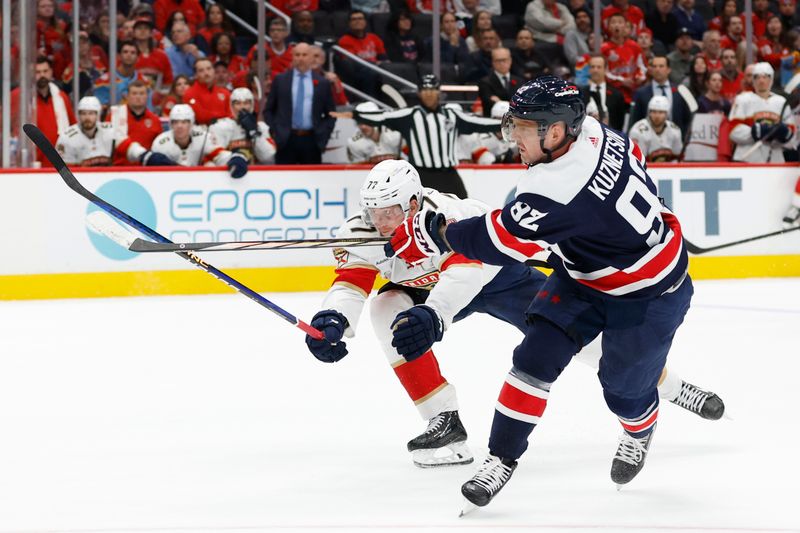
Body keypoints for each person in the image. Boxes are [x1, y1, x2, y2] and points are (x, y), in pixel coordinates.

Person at [384, 76, 698, 509]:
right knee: (534, 358)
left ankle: (639, 427)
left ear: (554, 131)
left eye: (523, 128)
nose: (514, 136)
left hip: (649, 294)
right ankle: (501, 458)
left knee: (622, 389)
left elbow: (496, 242)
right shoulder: (596, 132)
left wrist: (437, 231)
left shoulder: (554, 185)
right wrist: (590, 234)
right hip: (586, 274)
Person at [310, 158, 725, 471]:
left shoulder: (451, 217)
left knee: (580, 345)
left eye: (390, 213)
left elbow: (467, 270)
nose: (380, 223)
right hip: (428, 289)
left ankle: (671, 387)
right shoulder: (362, 229)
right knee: (385, 309)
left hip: (495, 278)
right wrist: (333, 321)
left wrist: (434, 314)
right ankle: (444, 423)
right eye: (374, 213)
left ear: (415, 201)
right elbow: (351, 280)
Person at [331, 75, 501, 198]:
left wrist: (503, 124)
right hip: (421, 175)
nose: (428, 94)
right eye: (424, 90)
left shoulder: (452, 115)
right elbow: (382, 117)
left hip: (448, 174)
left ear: (438, 92)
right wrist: (356, 115)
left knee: (462, 209)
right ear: (419, 93)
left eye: (432, 89)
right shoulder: (409, 115)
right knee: (418, 216)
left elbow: (480, 123)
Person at [264, 43, 336, 164]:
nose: (301, 58)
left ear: (311, 58)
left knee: (312, 180)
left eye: (304, 55)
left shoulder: (322, 83)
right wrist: (276, 132)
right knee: (283, 180)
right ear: (292, 57)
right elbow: (269, 110)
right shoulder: (280, 80)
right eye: (297, 55)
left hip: (312, 140)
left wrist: (323, 137)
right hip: (285, 139)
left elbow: (331, 114)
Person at [56, 96, 173, 167]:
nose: (87, 118)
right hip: (81, 186)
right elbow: (66, 172)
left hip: (106, 182)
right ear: (79, 115)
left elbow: (128, 147)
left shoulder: (108, 131)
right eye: (83, 113)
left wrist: (144, 155)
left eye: (91, 113)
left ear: (98, 115)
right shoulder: (67, 138)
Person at [150, 103, 248, 177]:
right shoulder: (160, 143)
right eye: (175, 122)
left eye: (184, 122)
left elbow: (220, 155)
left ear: (191, 124)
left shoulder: (202, 137)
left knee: (210, 165)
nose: (179, 126)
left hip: (198, 181)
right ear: (171, 125)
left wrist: (237, 157)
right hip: (169, 181)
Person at [729, 62, 796, 162]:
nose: (761, 80)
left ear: (771, 79)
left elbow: (792, 140)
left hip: (775, 160)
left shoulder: (781, 102)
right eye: (757, 77)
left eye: (765, 77)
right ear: (753, 80)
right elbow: (733, 131)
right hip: (748, 159)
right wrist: (754, 132)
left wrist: (784, 135)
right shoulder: (742, 99)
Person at [210, 88, 277, 164]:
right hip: (230, 171)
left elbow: (270, 159)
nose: (242, 107)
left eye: (246, 103)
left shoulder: (261, 127)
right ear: (231, 105)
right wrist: (236, 160)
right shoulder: (221, 126)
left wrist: (254, 132)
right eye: (238, 103)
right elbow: (216, 157)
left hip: (256, 173)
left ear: (252, 105)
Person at [629, 56, 692, 136]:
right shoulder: (641, 93)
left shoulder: (681, 91)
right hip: (648, 140)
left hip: (674, 139)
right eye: (654, 66)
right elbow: (635, 120)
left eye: (661, 66)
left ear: (669, 70)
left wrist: (683, 138)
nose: (657, 69)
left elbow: (687, 118)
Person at [106, 80, 165, 165]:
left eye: (141, 93)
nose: (138, 97)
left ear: (147, 96)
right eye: (134, 93)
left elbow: (159, 148)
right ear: (127, 96)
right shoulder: (115, 115)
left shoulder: (155, 120)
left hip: (145, 171)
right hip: (119, 170)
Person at [94, 41, 151, 108]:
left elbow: (148, 109)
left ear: (138, 58)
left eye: (133, 53)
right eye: (125, 52)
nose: (129, 55)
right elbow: (100, 109)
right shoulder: (103, 81)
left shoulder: (145, 82)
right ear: (119, 56)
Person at [629, 96, 684, 162]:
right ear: (649, 113)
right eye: (654, 112)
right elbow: (636, 162)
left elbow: (677, 158)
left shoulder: (675, 130)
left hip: (668, 170)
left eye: (661, 112)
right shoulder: (638, 131)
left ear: (667, 114)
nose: (657, 116)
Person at [580, 54, 627, 131]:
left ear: (605, 69)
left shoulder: (616, 95)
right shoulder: (581, 94)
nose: (595, 70)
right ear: (589, 70)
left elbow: (619, 123)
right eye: (592, 67)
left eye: (599, 67)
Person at [183, 57, 231, 125]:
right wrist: (223, 116)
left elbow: (231, 114)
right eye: (201, 70)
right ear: (196, 75)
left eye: (209, 69)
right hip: (200, 132)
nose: (206, 73)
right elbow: (201, 117)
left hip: (225, 130)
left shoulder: (225, 93)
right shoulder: (189, 94)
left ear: (214, 71)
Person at [477, 48, 524, 117]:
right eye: (498, 60)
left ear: (510, 60)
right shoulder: (485, 82)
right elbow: (489, 101)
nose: (501, 63)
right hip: (492, 120)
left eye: (504, 60)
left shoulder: (520, 81)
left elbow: (522, 102)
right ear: (493, 62)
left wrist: (500, 102)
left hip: (515, 121)